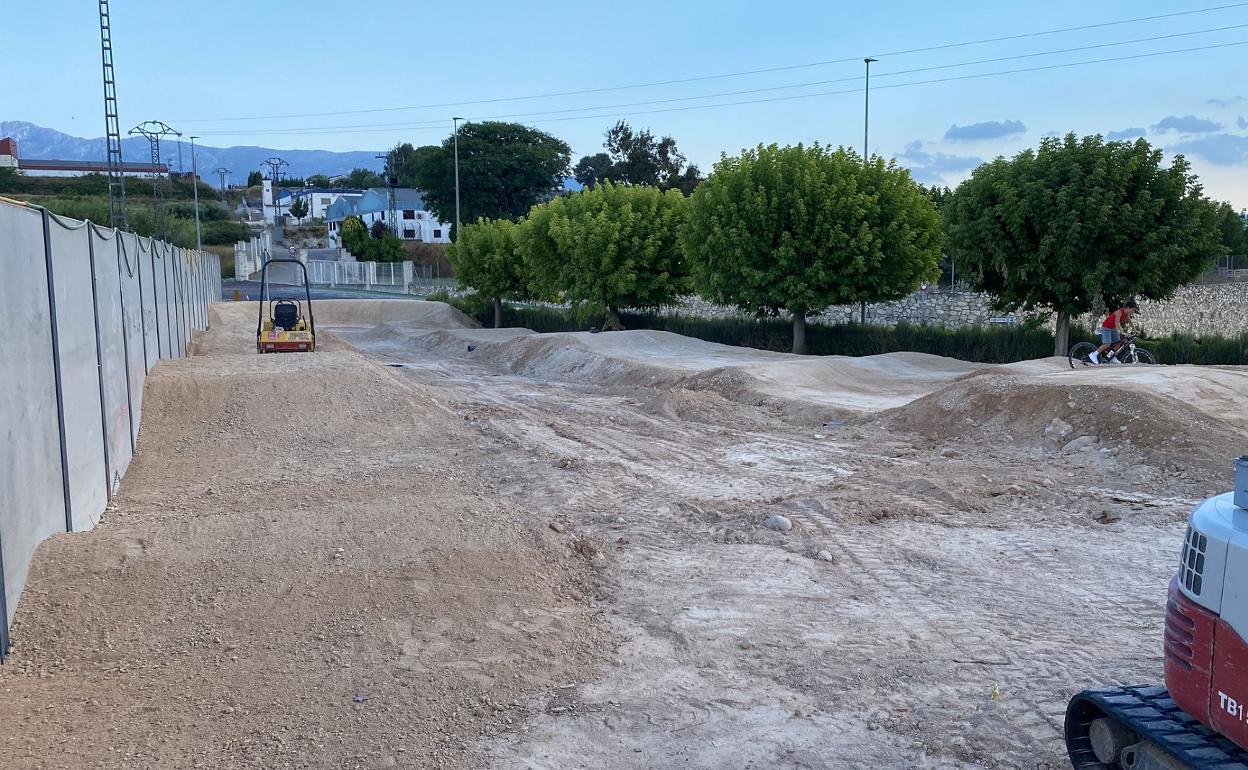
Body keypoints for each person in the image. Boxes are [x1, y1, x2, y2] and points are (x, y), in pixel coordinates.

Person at [1089, 300, 1139, 364]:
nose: (1133, 312)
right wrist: (1122, 332)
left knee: (1118, 343)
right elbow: (1117, 322)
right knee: (1107, 344)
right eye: (1133, 310)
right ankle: (1093, 355)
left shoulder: (1126, 314)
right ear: (1128, 308)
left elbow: (1130, 322)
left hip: (1112, 328)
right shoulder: (1119, 312)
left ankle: (1111, 357)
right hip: (1106, 327)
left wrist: (1135, 330)